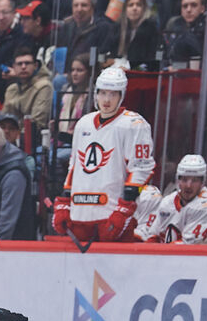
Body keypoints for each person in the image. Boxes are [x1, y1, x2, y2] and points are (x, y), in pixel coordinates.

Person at [52, 67, 155, 242]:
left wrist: (125, 207)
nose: (107, 100)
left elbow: (141, 169)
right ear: (96, 94)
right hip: (80, 213)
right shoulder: (83, 123)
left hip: (111, 212)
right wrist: (64, 200)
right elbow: (74, 166)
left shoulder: (134, 124)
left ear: (121, 95)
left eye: (113, 94)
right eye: (103, 93)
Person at [140, 154, 207, 243]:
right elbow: (154, 235)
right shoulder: (167, 202)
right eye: (184, 180)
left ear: (202, 183)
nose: (188, 186)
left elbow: (189, 247)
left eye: (194, 181)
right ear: (178, 180)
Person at [2, 47, 53, 132]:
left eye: (27, 63)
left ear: (35, 66)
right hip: (11, 135)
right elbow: (4, 119)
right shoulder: (11, 89)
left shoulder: (44, 86)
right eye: (19, 64)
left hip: (33, 137)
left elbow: (37, 123)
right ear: (13, 67)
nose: (23, 67)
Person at [117, 0, 159, 70]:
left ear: (144, 8)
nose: (134, 8)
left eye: (138, 5)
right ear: (125, 9)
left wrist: (130, 68)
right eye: (131, 5)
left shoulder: (151, 29)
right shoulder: (118, 28)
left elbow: (152, 62)